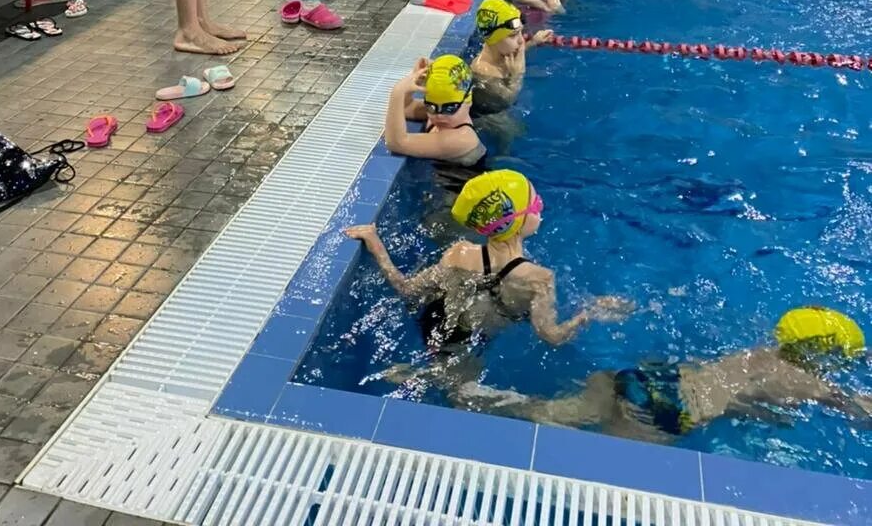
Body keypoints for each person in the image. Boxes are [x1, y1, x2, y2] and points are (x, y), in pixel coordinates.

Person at [454, 306, 872, 443]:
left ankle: (467, 392)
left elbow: (742, 397)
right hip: (660, 413)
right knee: (605, 481)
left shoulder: (760, 353)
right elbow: (860, 409)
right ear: (824, 356)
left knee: (548, 412)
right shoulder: (809, 381)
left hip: (643, 378)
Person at [344, 169, 632, 354]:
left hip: (432, 323)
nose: (540, 209)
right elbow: (551, 336)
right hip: (466, 343)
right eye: (535, 205)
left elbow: (407, 290)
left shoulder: (457, 253)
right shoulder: (538, 278)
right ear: (518, 221)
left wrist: (376, 243)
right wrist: (588, 314)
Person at [384, 56, 487, 186]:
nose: (439, 115)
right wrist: (415, 80)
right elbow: (406, 109)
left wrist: (397, 91)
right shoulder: (443, 113)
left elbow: (396, 143)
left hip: (457, 194)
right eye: (430, 106)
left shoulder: (462, 139)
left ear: (468, 101)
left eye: (450, 108)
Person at [470, 0, 553, 110]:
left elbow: (517, 49)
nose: (520, 40)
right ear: (493, 38)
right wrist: (517, 75)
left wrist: (534, 42)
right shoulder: (486, 73)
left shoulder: (500, 51)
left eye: (521, 32)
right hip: (489, 116)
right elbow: (508, 101)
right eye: (513, 35)